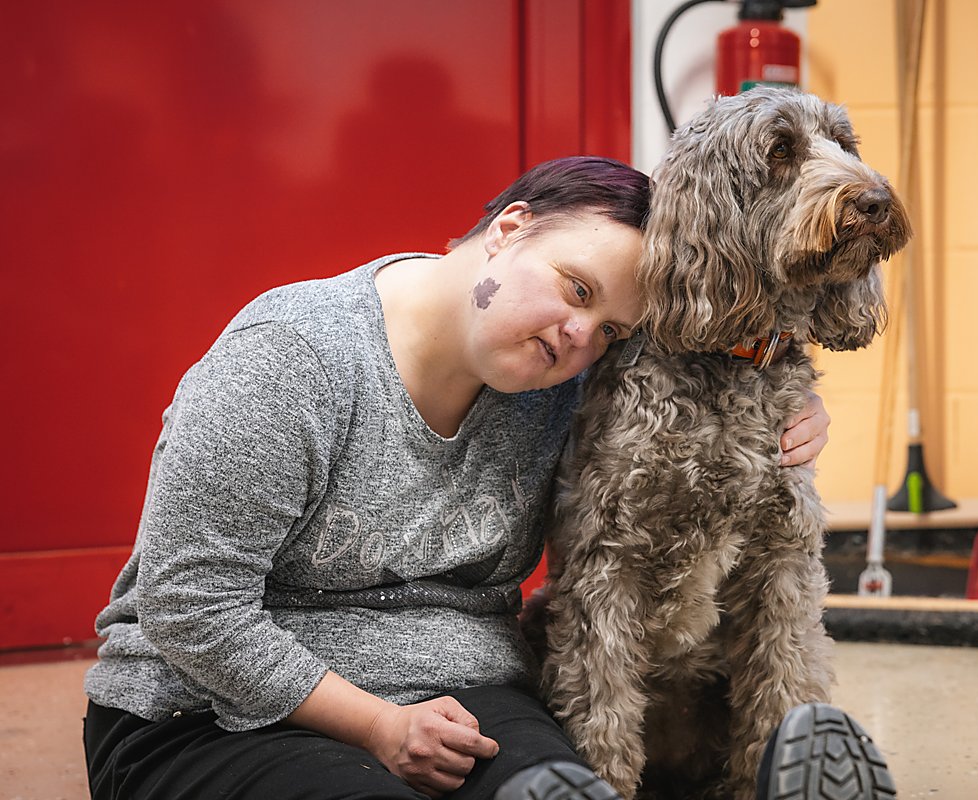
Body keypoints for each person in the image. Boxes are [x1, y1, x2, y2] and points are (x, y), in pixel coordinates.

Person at [82, 156, 872, 800]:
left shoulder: (558, 383)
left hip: (460, 693)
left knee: (561, 789)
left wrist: (791, 406)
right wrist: (378, 728)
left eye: (612, 330)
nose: (579, 337)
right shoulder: (291, 358)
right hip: (205, 710)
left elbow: (703, 379)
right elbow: (190, 610)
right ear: (510, 228)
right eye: (577, 289)